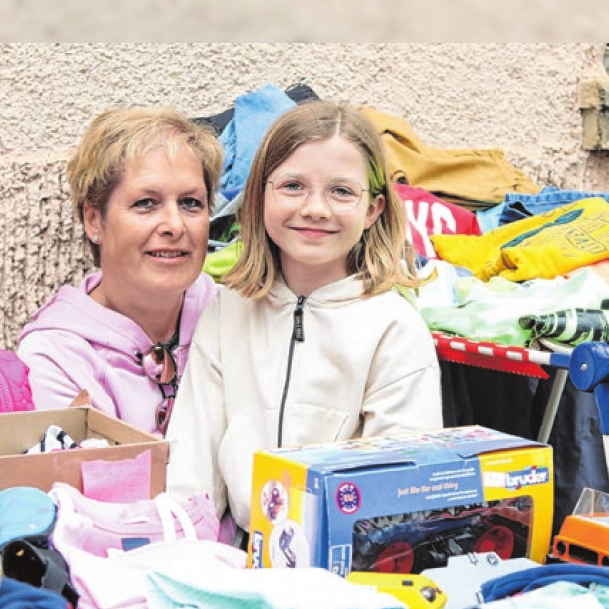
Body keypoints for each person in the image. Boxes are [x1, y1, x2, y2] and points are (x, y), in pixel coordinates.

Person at [165, 100, 443, 533]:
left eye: (342, 191)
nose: (315, 208)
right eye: (293, 186)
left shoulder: (394, 329)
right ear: (259, 196)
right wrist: (183, 555)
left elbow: (401, 491)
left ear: (374, 210)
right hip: (239, 557)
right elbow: (191, 465)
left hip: (348, 565)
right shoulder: (228, 309)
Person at [17, 108, 223, 436]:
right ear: (93, 220)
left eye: (190, 203)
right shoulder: (56, 358)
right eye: (146, 203)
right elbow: (91, 482)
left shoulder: (231, 316)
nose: (174, 225)